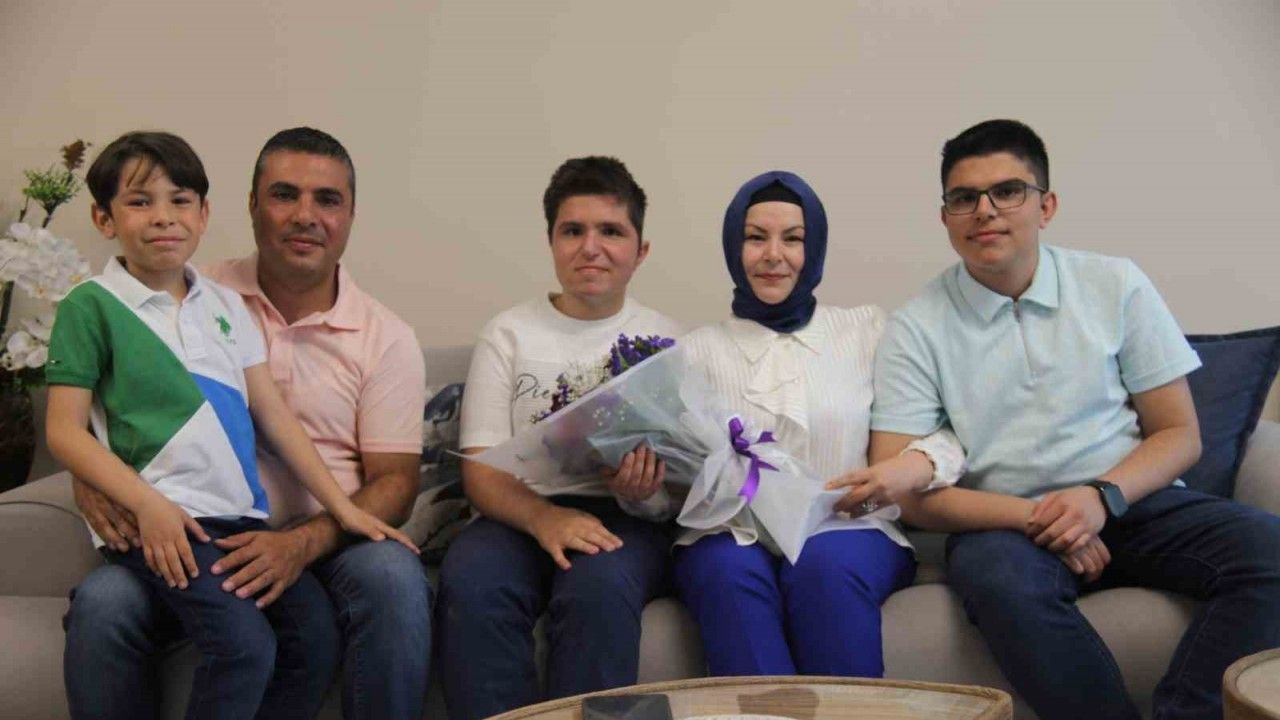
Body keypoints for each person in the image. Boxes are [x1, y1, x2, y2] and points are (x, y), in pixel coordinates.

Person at [870, 118, 1280, 720]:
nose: (985, 210)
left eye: (1007, 191)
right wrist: (1043, 517)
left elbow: (1179, 433)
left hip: (1131, 500)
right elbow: (904, 491)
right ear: (945, 218)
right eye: (964, 198)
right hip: (1005, 525)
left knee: (1272, 552)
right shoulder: (915, 327)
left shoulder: (1115, 284)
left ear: (1047, 206)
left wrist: (1097, 499)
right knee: (998, 581)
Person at [62, 127, 432, 720]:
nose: (305, 215)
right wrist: (94, 482)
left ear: (350, 216)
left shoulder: (384, 337)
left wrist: (310, 537)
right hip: (184, 525)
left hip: (319, 541)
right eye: (284, 195)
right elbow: (86, 414)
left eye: (327, 200)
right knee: (106, 602)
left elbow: (394, 479)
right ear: (251, 206)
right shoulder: (180, 284)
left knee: (388, 578)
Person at [670, 171, 965, 677]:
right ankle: (765, 713)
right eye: (755, 237)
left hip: (851, 525)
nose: (773, 255)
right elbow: (675, 480)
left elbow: (946, 428)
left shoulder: (866, 330)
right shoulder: (694, 352)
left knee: (822, 566)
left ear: (816, 248)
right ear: (733, 247)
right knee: (724, 572)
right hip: (733, 531)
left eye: (793, 239)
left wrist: (917, 464)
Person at [436, 156, 683, 720]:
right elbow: (480, 471)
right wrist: (545, 519)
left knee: (597, 589)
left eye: (611, 231)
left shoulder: (667, 341)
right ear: (551, 241)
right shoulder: (507, 334)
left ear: (641, 250)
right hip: (516, 511)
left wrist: (642, 493)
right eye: (573, 231)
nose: (590, 248)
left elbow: (681, 488)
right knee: (473, 583)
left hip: (624, 520)